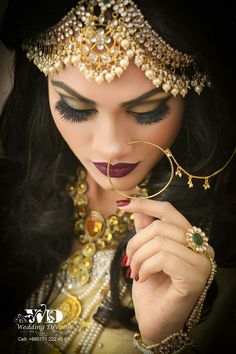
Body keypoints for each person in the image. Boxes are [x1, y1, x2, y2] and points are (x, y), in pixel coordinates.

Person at [0, 0, 235, 353]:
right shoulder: (14, 189)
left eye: (147, 110)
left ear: (193, 97)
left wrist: (165, 341)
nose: (110, 148)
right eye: (75, 109)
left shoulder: (219, 248)